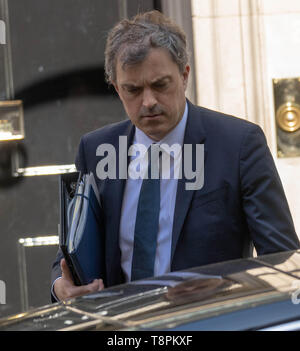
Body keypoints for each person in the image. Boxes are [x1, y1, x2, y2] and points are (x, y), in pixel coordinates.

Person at [51, 10, 300, 301]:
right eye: (133, 89)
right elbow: (75, 245)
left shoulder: (239, 145)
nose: (148, 102)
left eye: (160, 85)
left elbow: (282, 261)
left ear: (184, 76)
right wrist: (61, 284)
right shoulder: (95, 150)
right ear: (117, 89)